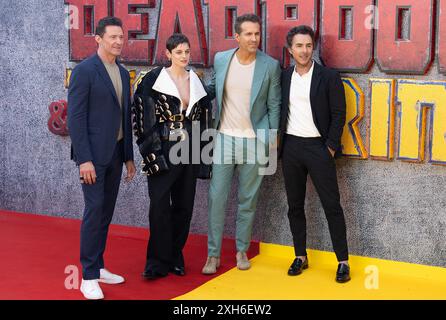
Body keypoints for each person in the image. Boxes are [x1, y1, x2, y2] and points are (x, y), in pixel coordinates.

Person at [202, 14, 281, 274]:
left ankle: (241, 251)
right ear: (237, 37)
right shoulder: (222, 59)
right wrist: (184, 87)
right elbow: (211, 88)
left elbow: (274, 104)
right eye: (248, 34)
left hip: (254, 142)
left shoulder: (270, 66)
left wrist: (272, 139)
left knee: (248, 200)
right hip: (224, 138)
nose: (254, 38)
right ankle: (213, 255)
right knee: (216, 198)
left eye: (257, 34)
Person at [132, 33, 212, 279]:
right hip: (163, 148)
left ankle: (175, 256)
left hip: (189, 151)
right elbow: (143, 122)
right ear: (168, 54)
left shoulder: (196, 81)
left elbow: (204, 122)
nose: (184, 56)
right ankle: (156, 261)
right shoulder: (152, 80)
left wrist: (204, 159)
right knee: (159, 206)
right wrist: (152, 155)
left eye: (187, 52)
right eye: (178, 52)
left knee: (184, 206)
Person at [67, 16, 136, 299]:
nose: (119, 42)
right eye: (113, 37)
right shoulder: (84, 71)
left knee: (105, 213)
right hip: (92, 159)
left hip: (116, 156)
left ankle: (99, 265)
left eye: (121, 37)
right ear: (98, 38)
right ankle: (88, 276)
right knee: (94, 212)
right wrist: (84, 160)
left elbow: (124, 118)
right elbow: (76, 118)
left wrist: (129, 157)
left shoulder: (121, 72)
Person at [279, 25, 350, 283]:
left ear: (313, 47)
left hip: (319, 148)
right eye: (299, 45)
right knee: (295, 206)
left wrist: (329, 147)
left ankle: (342, 261)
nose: (304, 50)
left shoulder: (329, 76)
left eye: (308, 45)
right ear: (290, 50)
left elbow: (339, 114)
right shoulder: (284, 76)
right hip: (292, 148)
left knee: (332, 205)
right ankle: (300, 256)